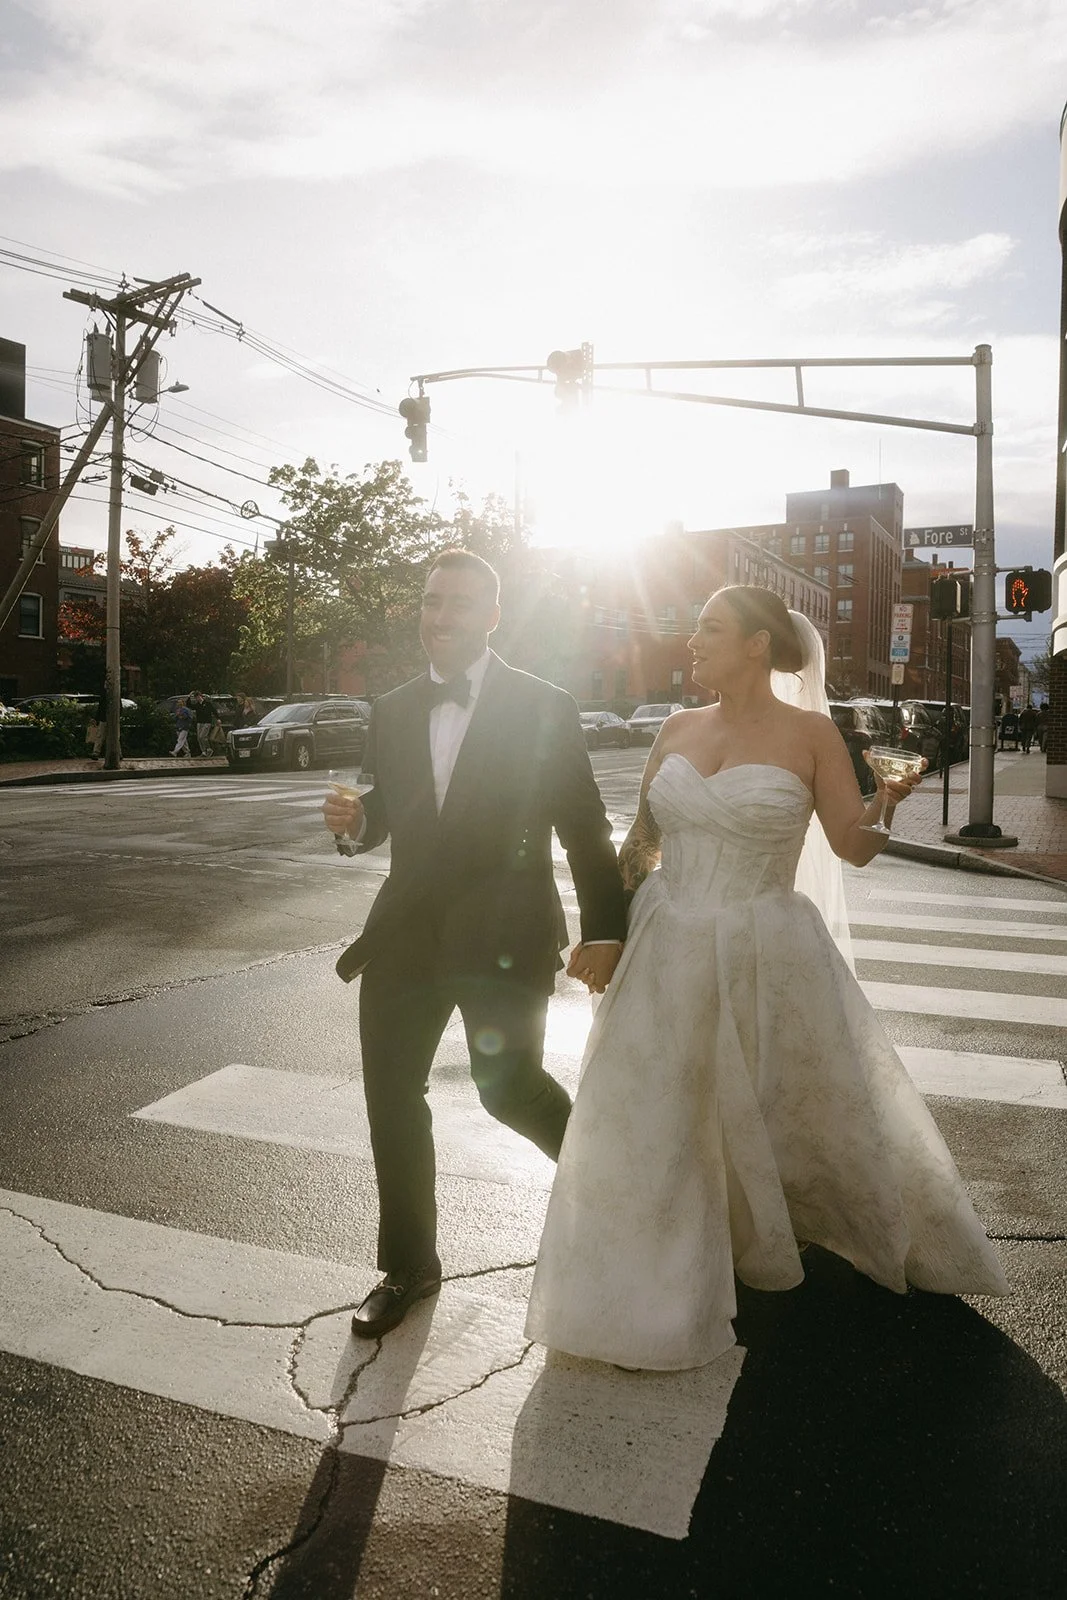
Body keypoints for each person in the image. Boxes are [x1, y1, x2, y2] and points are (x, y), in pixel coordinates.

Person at [525, 586, 1008, 1373]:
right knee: (657, 1108)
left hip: (765, 946)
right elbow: (642, 843)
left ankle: (789, 1223)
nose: (690, 641)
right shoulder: (677, 728)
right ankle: (652, 1277)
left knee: (780, 1101)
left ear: (756, 644)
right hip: (664, 940)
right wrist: (606, 934)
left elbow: (850, 846)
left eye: (707, 628)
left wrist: (884, 800)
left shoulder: (811, 733)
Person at [322, 549, 627, 1340]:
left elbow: (583, 826)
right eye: (430, 602)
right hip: (404, 933)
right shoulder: (390, 708)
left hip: (504, 933)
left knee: (508, 1088)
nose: (439, 616)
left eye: (458, 603)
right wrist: (357, 826)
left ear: (492, 615)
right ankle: (408, 1265)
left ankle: (617, 1207)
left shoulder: (542, 705)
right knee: (391, 1097)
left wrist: (606, 930)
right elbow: (387, 811)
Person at [188, 690, 219, 757]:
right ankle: (203, 751)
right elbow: (189, 705)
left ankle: (209, 749)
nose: (197, 699)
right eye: (196, 698)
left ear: (201, 696)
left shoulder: (208, 704)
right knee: (199, 738)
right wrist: (189, 696)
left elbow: (214, 711)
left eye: (198, 697)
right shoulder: (197, 705)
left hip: (207, 722)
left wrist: (218, 718)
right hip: (199, 722)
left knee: (203, 736)